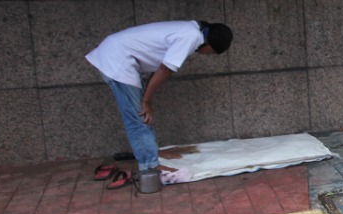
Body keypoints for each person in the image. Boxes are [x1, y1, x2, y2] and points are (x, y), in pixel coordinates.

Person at [86, 20, 233, 192]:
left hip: (119, 56)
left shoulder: (190, 30)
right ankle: (150, 166)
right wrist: (146, 101)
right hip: (117, 60)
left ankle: (151, 154)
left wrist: (146, 99)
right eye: (211, 52)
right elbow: (165, 70)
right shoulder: (191, 36)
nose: (208, 55)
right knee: (137, 117)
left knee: (142, 114)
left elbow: (160, 70)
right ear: (209, 43)